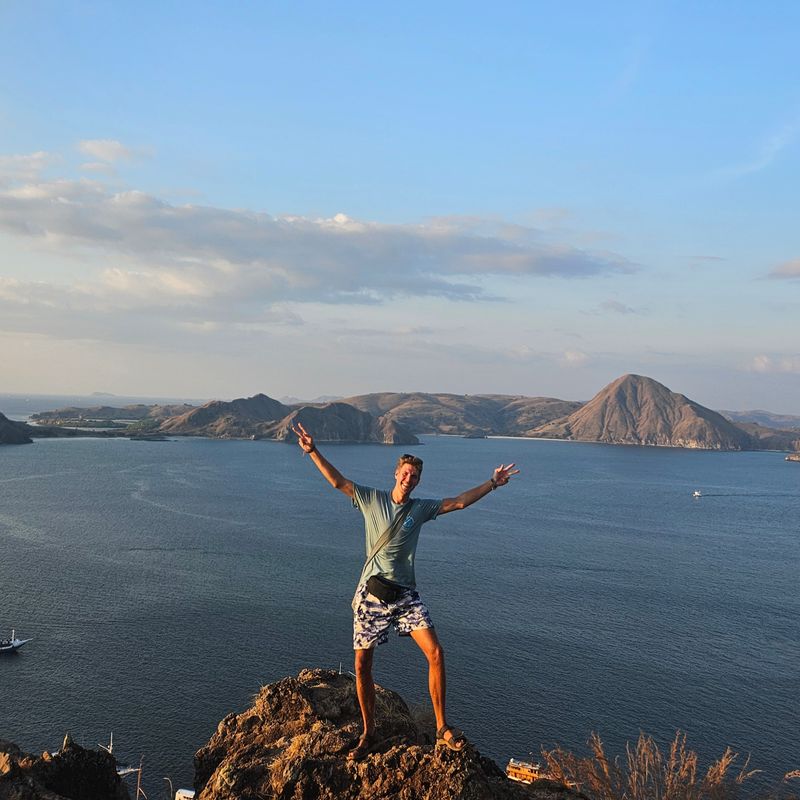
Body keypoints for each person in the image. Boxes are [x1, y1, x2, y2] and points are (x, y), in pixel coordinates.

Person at [292, 421, 519, 760]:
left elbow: (458, 503)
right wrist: (313, 452)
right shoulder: (371, 499)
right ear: (396, 473)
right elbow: (337, 481)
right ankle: (369, 732)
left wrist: (493, 484)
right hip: (371, 596)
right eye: (405, 473)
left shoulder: (421, 508)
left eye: (415, 476)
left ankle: (442, 728)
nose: (409, 479)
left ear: (418, 481)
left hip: (405, 597)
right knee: (362, 665)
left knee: (436, 653)